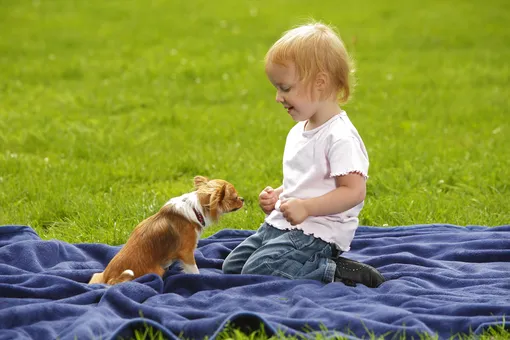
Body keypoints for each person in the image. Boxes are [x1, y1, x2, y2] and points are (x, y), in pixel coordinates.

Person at [222, 22, 385, 287]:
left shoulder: (340, 136)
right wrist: (280, 194)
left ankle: (332, 270)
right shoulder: (301, 129)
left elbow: (354, 192)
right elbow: (311, 181)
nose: (277, 97)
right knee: (234, 268)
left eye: (285, 88)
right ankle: (302, 264)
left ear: (320, 83)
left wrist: (306, 207)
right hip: (284, 225)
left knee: (259, 269)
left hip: (317, 233)